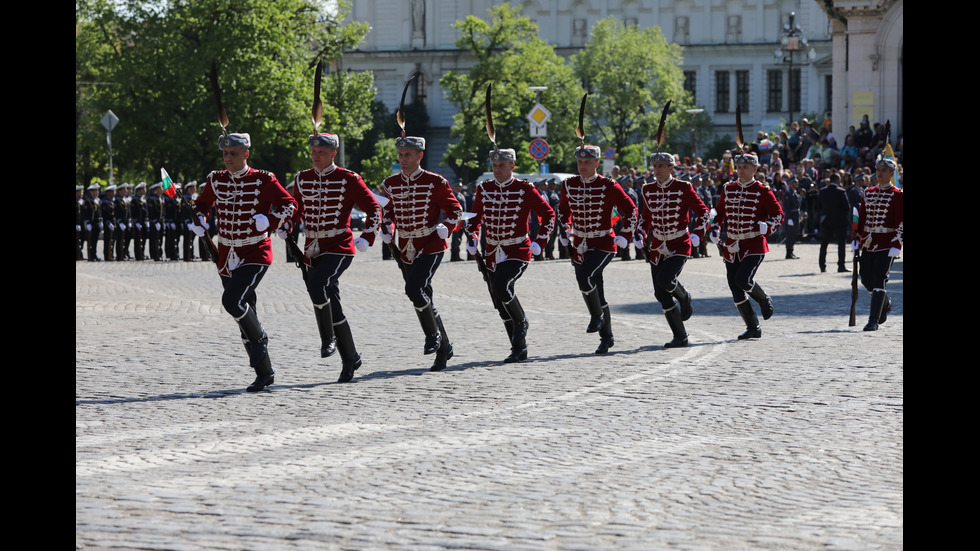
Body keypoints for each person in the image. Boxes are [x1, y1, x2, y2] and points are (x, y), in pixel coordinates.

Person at [190, 132, 297, 392]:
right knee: (244, 312)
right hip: (226, 254)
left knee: (232, 302)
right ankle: (265, 373)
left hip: (255, 251)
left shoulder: (263, 179)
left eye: (233, 154)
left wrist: (270, 222)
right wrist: (200, 218)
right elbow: (202, 203)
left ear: (246, 154)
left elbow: (289, 204)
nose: (228, 158)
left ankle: (260, 339)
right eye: (225, 154)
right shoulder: (216, 179)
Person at [283, 132, 381, 383]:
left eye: (322, 152)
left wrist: (367, 236)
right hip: (313, 247)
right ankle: (351, 359)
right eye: (314, 152)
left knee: (317, 284)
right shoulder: (302, 178)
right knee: (331, 301)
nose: (316, 156)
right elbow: (296, 208)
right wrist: (287, 225)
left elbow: (373, 208)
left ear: (333, 153)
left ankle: (327, 337)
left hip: (340, 245)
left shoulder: (348, 178)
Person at [380, 136, 463, 371]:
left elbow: (455, 209)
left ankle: (432, 337)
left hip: (431, 244)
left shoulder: (435, 182)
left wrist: (447, 226)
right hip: (405, 247)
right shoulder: (391, 183)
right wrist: (387, 227)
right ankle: (444, 348)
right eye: (401, 155)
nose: (403, 159)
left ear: (419, 156)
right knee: (423, 296)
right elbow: (387, 212)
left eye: (408, 155)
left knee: (414, 289)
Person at [465, 148, 555, 363]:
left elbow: (548, 214)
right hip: (492, 253)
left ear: (512, 166)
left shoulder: (524, 189)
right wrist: (472, 237)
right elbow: (475, 218)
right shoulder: (484, 189)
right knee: (500, 302)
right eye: (494, 166)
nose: (497, 170)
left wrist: (540, 241)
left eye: (502, 166)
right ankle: (518, 349)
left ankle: (522, 322)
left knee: (501, 286)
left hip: (518, 250)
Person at [557, 144, 638, 354]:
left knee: (585, 276)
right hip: (580, 245)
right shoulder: (568, 185)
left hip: (604, 243)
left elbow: (630, 209)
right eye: (579, 162)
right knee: (595, 290)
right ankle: (607, 337)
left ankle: (596, 316)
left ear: (596, 163)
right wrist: (564, 230)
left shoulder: (608, 185)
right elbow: (563, 212)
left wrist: (625, 235)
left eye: (587, 162)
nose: (582, 166)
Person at [634, 151, 710, 348]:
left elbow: (703, 212)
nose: (657, 170)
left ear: (670, 168)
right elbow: (646, 216)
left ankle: (684, 297)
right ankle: (680, 336)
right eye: (655, 166)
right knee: (660, 294)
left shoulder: (683, 187)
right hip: (658, 246)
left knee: (666, 280)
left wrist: (697, 234)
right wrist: (640, 233)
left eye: (661, 166)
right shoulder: (647, 189)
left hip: (679, 243)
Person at [709, 152, 784, 339]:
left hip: (754, 244)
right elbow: (718, 213)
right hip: (732, 244)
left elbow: (778, 215)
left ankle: (763, 298)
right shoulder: (728, 188)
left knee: (743, 280)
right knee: (736, 290)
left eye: (745, 168)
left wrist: (768, 227)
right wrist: (714, 228)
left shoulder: (762, 190)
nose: (741, 171)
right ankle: (753, 327)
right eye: (739, 167)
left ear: (754, 169)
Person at [855, 157, 903, 331]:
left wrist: (897, 243)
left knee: (879, 278)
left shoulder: (898, 195)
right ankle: (885, 302)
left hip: (887, 243)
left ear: (892, 173)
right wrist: (856, 238)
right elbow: (862, 218)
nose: (880, 172)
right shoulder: (869, 192)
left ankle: (873, 320)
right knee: (865, 277)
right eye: (878, 169)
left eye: (884, 170)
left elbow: (901, 221)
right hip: (869, 242)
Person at [817, 173, 851, 273]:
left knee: (824, 244)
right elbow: (847, 207)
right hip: (840, 221)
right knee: (841, 245)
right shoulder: (841, 191)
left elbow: (819, 207)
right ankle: (841, 265)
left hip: (827, 220)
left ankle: (822, 265)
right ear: (836, 180)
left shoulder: (823, 191)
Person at [781, 174, 802, 259]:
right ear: (791, 184)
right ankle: (788, 253)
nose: (797, 184)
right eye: (795, 183)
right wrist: (789, 218)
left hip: (795, 215)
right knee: (790, 234)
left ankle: (791, 251)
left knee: (794, 234)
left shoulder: (794, 193)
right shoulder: (788, 194)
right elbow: (787, 207)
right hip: (791, 216)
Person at [131, 182, 148, 261]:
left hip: (143, 222)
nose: (145, 190)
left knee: (143, 239)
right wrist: (136, 221)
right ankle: (138, 254)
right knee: (138, 239)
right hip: (137, 222)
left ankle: (142, 253)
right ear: (139, 190)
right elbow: (133, 212)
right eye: (143, 189)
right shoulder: (135, 200)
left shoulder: (143, 199)